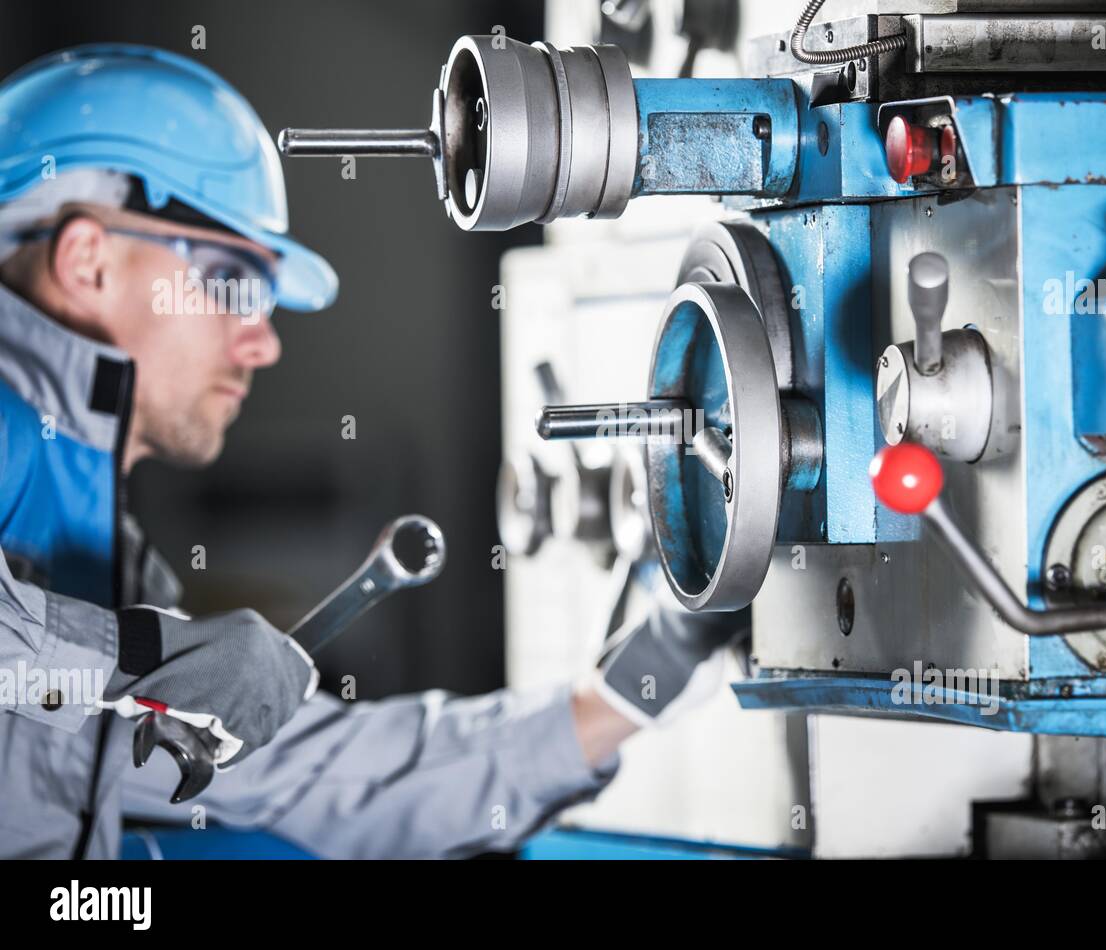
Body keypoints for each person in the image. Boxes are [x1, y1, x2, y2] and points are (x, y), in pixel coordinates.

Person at [0, 44, 745, 859]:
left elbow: (324, 777)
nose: (263, 342)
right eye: (234, 281)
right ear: (87, 261)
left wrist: (642, 679)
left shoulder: (99, 554)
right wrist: (142, 658)